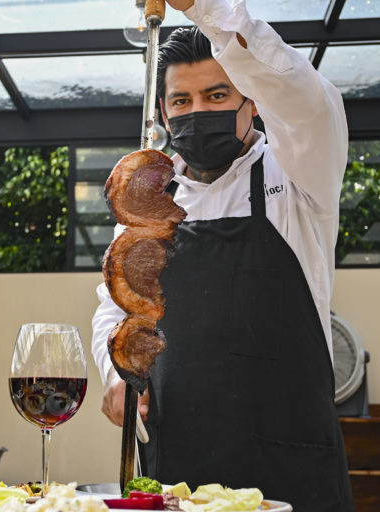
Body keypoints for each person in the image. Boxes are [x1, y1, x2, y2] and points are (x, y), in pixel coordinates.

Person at [91, 0, 354, 510]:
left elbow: (307, 103)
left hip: (289, 467)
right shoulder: (152, 204)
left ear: (251, 100)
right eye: (182, 101)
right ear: (164, 112)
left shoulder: (299, 174)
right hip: (176, 467)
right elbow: (117, 304)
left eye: (216, 95)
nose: (197, 112)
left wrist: (205, 9)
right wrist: (116, 375)